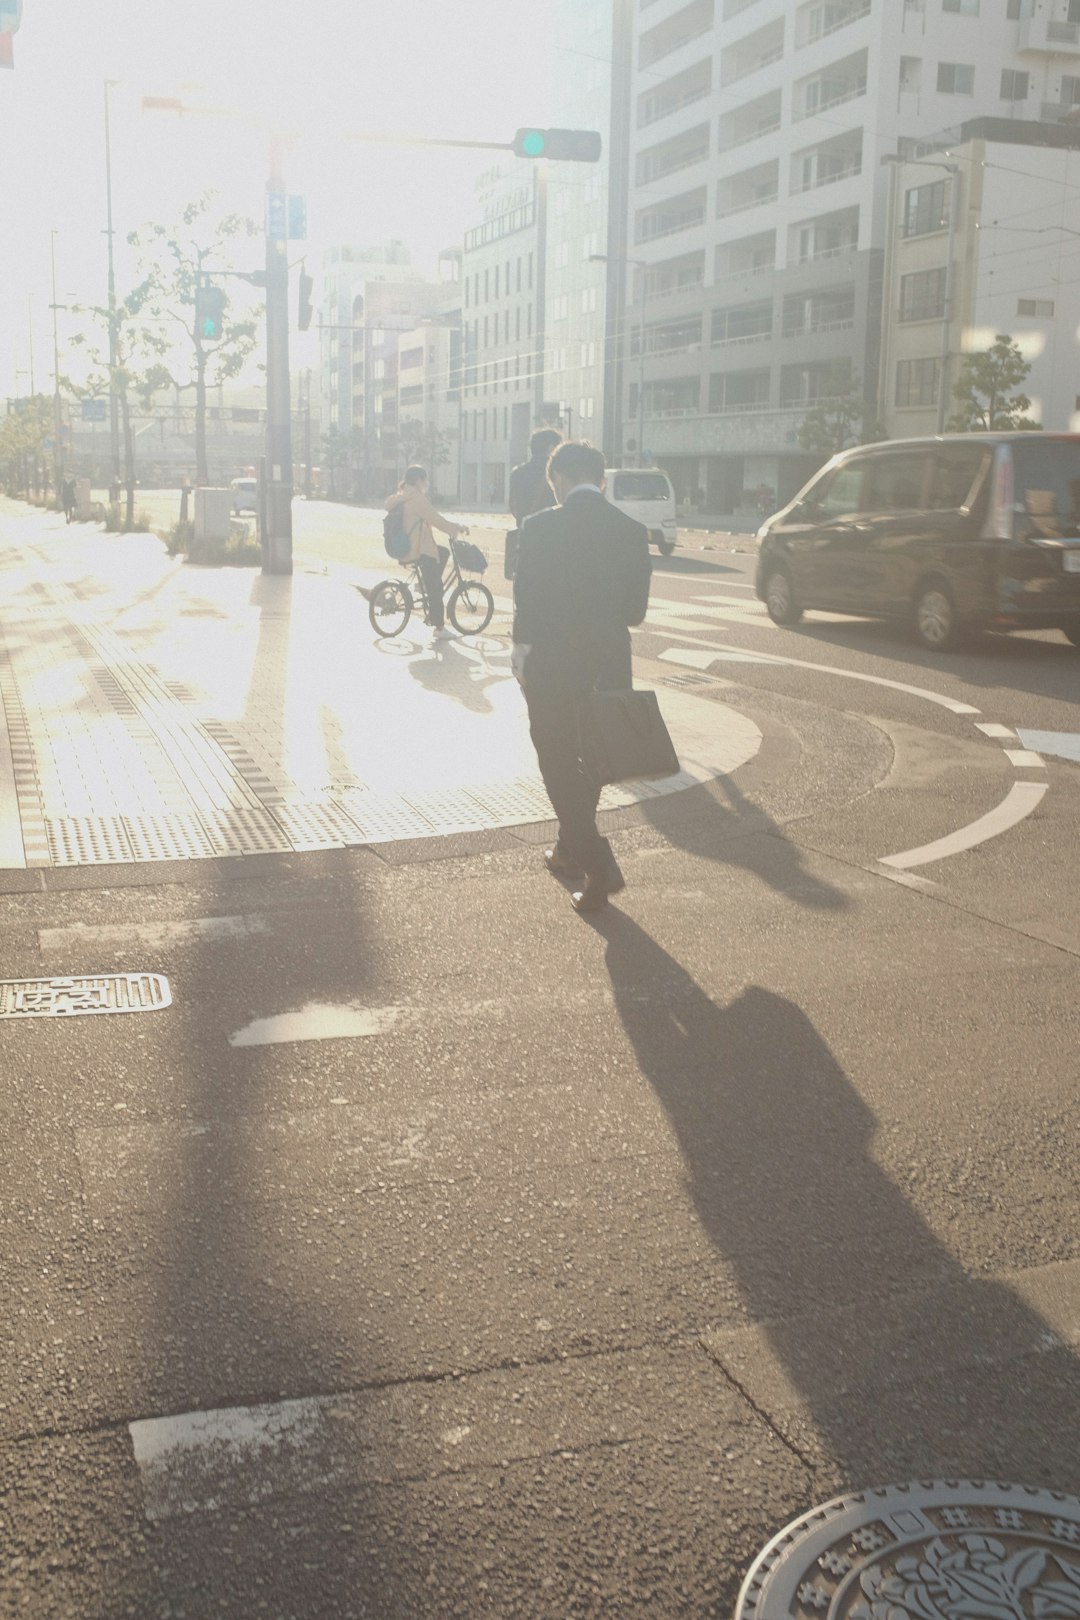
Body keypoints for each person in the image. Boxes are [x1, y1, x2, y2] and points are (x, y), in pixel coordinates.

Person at [511, 440, 651, 913]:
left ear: (559, 481)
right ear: (602, 480)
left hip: (551, 663)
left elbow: (525, 603)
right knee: (593, 761)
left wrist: (520, 657)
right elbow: (635, 612)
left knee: (555, 758)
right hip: (609, 663)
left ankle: (597, 860)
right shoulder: (632, 531)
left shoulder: (539, 527)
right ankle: (570, 850)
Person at [383, 465, 467, 639]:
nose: (426, 483)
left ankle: (424, 585)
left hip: (407, 548)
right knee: (435, 587)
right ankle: (439, 627)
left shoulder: (401, 497)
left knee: (442, 553)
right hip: (419, 550)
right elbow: (436, 519)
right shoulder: (418, 499)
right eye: (425, 479)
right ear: (419, 480)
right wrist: (456, 528)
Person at [508, 427, 562, 528]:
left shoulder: (517, 472)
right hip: (550, 531)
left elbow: (513, 506)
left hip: (524, 533)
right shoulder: (557, 473)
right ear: (551, 448)